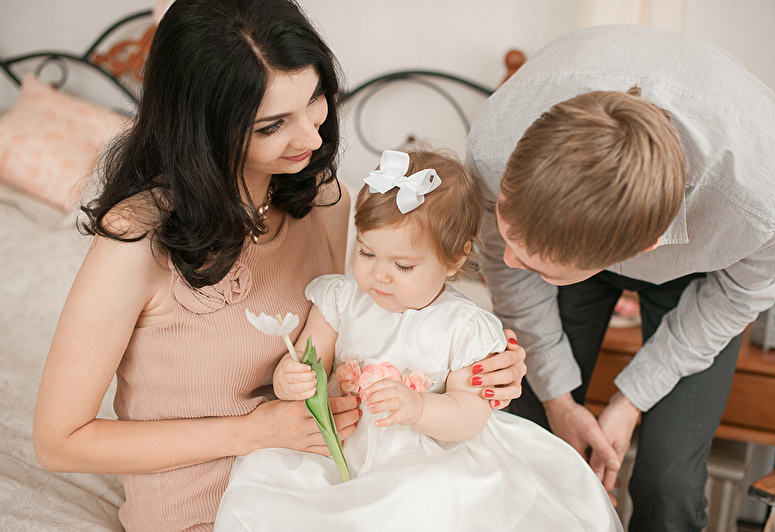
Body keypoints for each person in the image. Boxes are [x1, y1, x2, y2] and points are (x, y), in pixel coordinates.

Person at [31, 1, 525, 530]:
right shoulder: (137, 239)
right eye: (272, 126)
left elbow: (355, 334)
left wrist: (469, 363)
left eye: (314, 100)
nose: (312, 139)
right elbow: (59, 442)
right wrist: (252, 431)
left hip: (329, 489)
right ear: (204, 127)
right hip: (203, 510)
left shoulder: (323, 199)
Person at [468, 24, 775, 532]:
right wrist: (559, 401)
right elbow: (505, 267)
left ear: (641, 249)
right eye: (510, 234)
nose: (508, 261)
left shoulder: (762, 201)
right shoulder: (494, 144)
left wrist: (629, 402)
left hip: (703, 274)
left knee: (669, 483)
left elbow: (737, 297)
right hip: (579, 235)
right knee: (529, 436)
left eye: (536, 264)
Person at [214, 148, 623, 532]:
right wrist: (290, 379)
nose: (380, 275)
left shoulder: (463, 326)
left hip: (429, 454)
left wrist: (419, 406)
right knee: (275, 494)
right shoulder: (340, 299)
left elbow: (469, 414)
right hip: (343, 442)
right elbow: (309, 362)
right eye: (367, 253)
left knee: (423, 499)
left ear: (454, 258)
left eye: (404, 265)